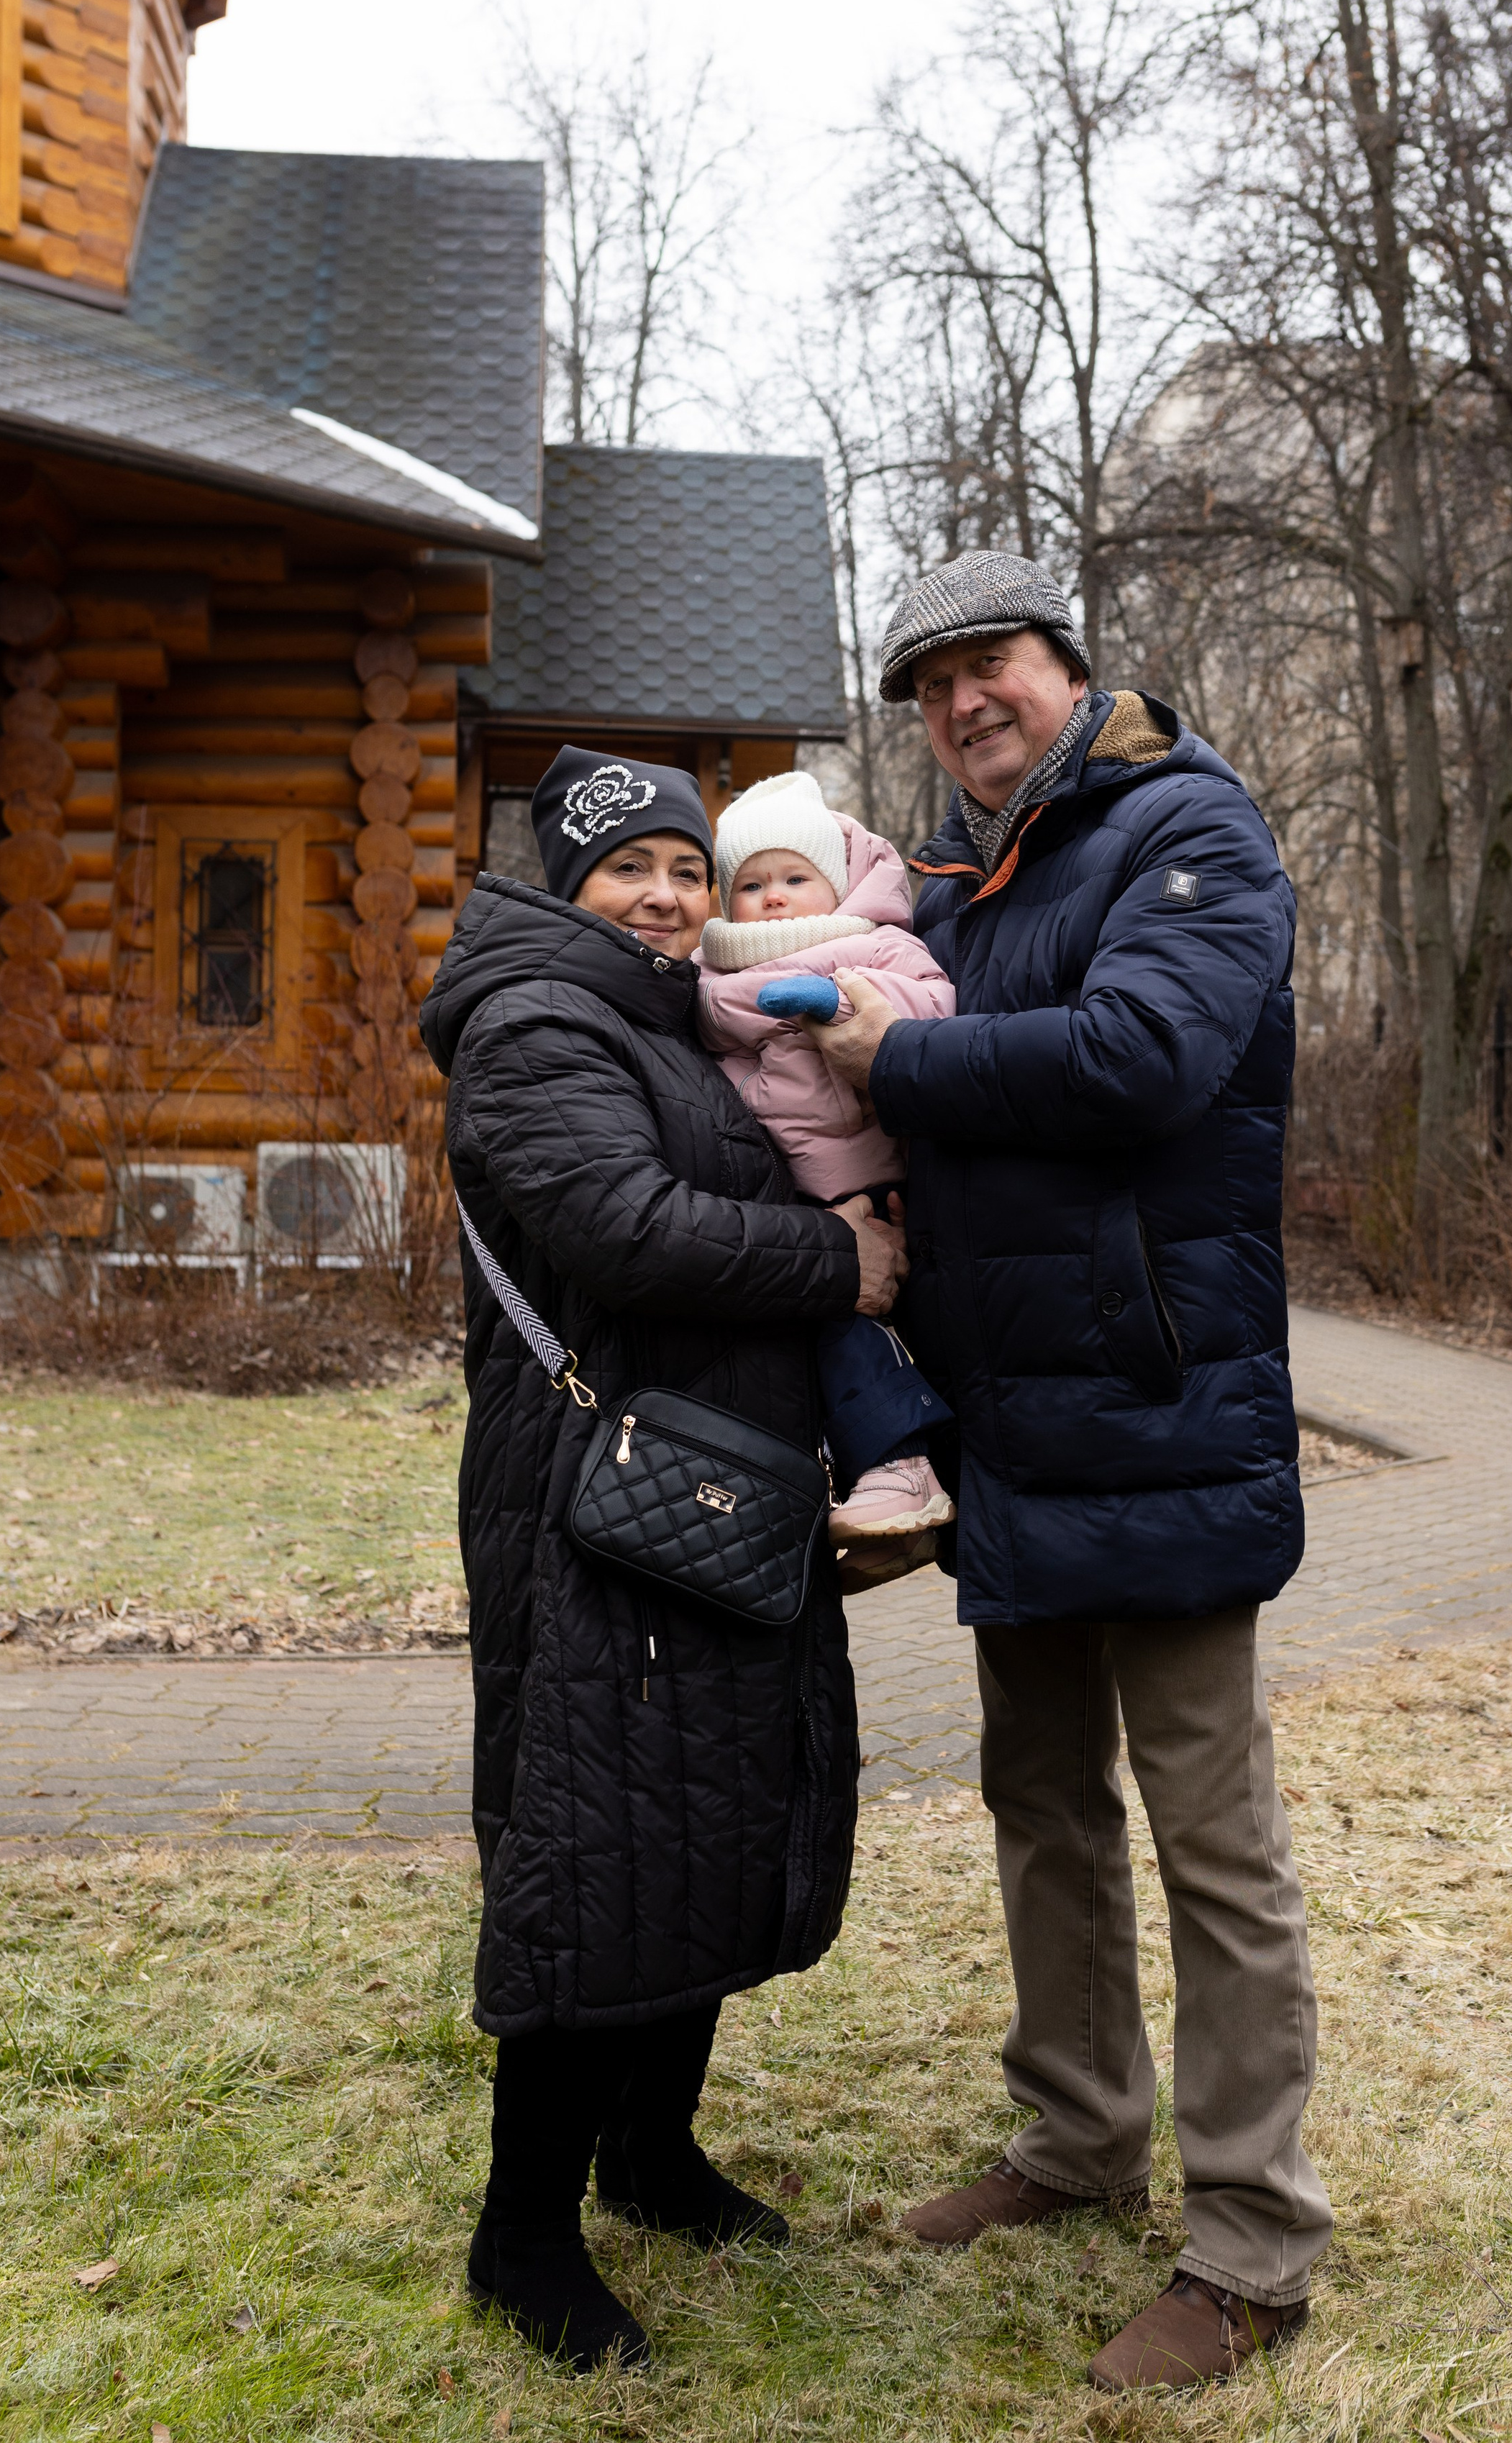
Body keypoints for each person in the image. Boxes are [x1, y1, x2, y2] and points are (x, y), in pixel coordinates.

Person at [804, 552, 1334, 2394]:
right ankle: (1074, 2130)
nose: (962, 701)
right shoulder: (955, 875)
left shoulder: (1187, 830)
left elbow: (1143, 1057)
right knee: (1038, 1793)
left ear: (1065, 667)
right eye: (930, 681)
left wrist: (904, 1053)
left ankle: (1253, 2239)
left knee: (1212, 1839)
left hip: (1158, 1406)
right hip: (1011, 1426)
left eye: (990, 664)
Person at [418, 743, 906, 2375]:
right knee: (589, 1844)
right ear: (566, 883)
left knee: (696, 1821)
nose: (669, 893)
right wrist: (832, 1258)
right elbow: (622, 1226)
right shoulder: (534, 1025)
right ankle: (524, 2230)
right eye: (630, 866)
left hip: (708, 1494)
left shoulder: (662, 1017)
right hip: (593, 1505)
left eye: (687, 868)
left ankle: (652, 2153)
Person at [695, 768, 956, 1585]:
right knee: (802, 1335)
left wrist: (842, 1004)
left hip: (875, 1186)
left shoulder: (872, 944)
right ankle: (864, 1493)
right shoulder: (714, 985)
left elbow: (934, 1008)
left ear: (835, 883)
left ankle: (901, 1464)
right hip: (792, 1199)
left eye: (794, 878)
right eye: (752, 884)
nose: (774, 899)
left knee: (851, 1329)